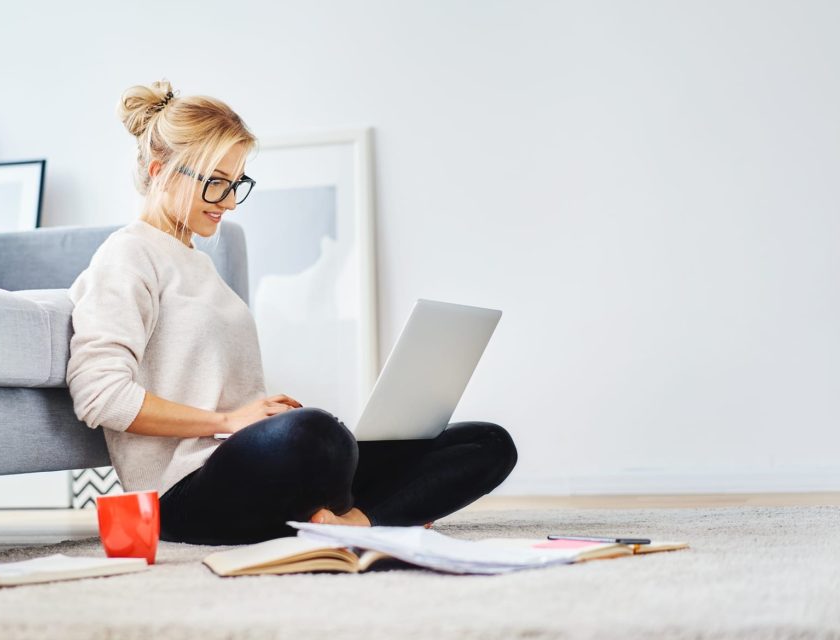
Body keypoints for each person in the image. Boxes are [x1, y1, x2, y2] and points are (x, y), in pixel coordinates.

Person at [66, 79, 518, 546]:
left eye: (236, 183)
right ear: (161, 172)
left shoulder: (198, 264)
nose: (227, 201)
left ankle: (351, 523)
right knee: (318, 436)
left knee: (487, 443)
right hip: (182, 493)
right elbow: (100, 395)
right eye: (215, 183)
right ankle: (374, 507)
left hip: (250, 466)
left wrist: (260, 417)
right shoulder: (127, 256)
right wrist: (228, 422)